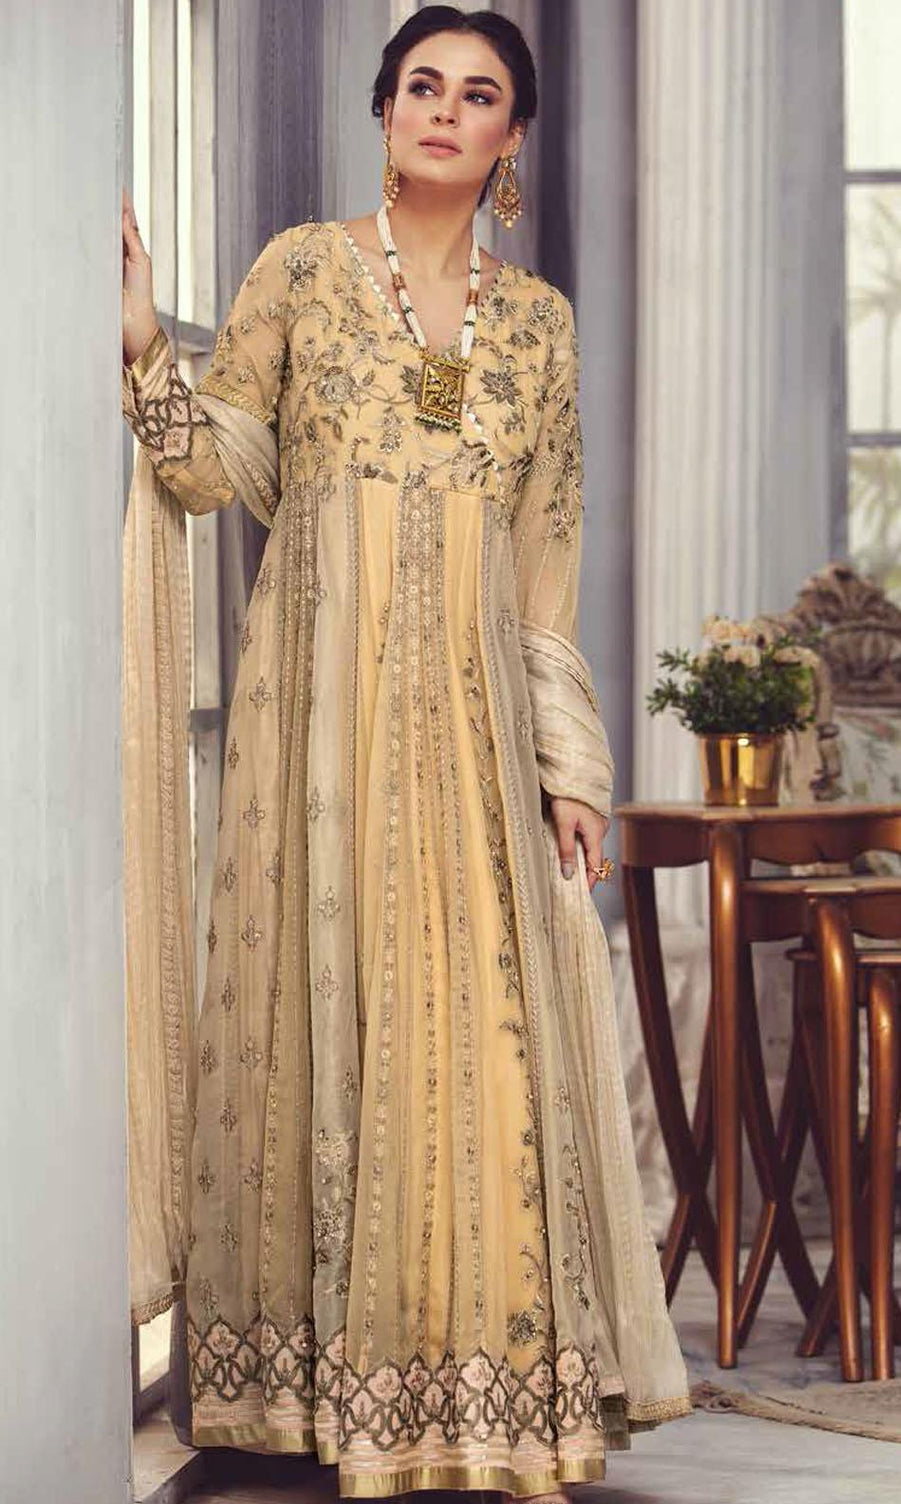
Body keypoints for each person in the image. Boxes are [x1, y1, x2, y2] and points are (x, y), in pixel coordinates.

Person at [120, 7, 690, 1499]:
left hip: (479, 734)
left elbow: (546, 556)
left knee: (481, 1042)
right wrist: (143, 343)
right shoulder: (302, 272)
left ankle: (480, 1399)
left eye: (478, 93)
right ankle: (326, 1399)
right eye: (421, 85)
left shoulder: (540, 324)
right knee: (330, 1021)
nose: (445, 109)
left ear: (512, 137)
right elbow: (215, 473)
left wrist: (571, 769)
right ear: (385, 112)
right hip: (315, 731)